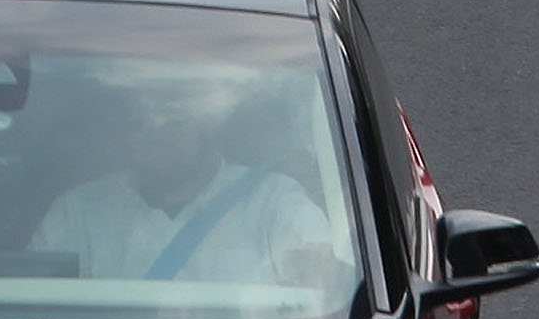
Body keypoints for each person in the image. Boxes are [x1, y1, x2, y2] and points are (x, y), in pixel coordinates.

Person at [32, 73, 343, 290]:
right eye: (138, 122)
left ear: (209, 126)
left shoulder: (274, 201)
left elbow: (323, 281)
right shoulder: (80, 209)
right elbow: (35, 300)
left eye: (173, 119)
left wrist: (315, 268)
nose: (154, 132)